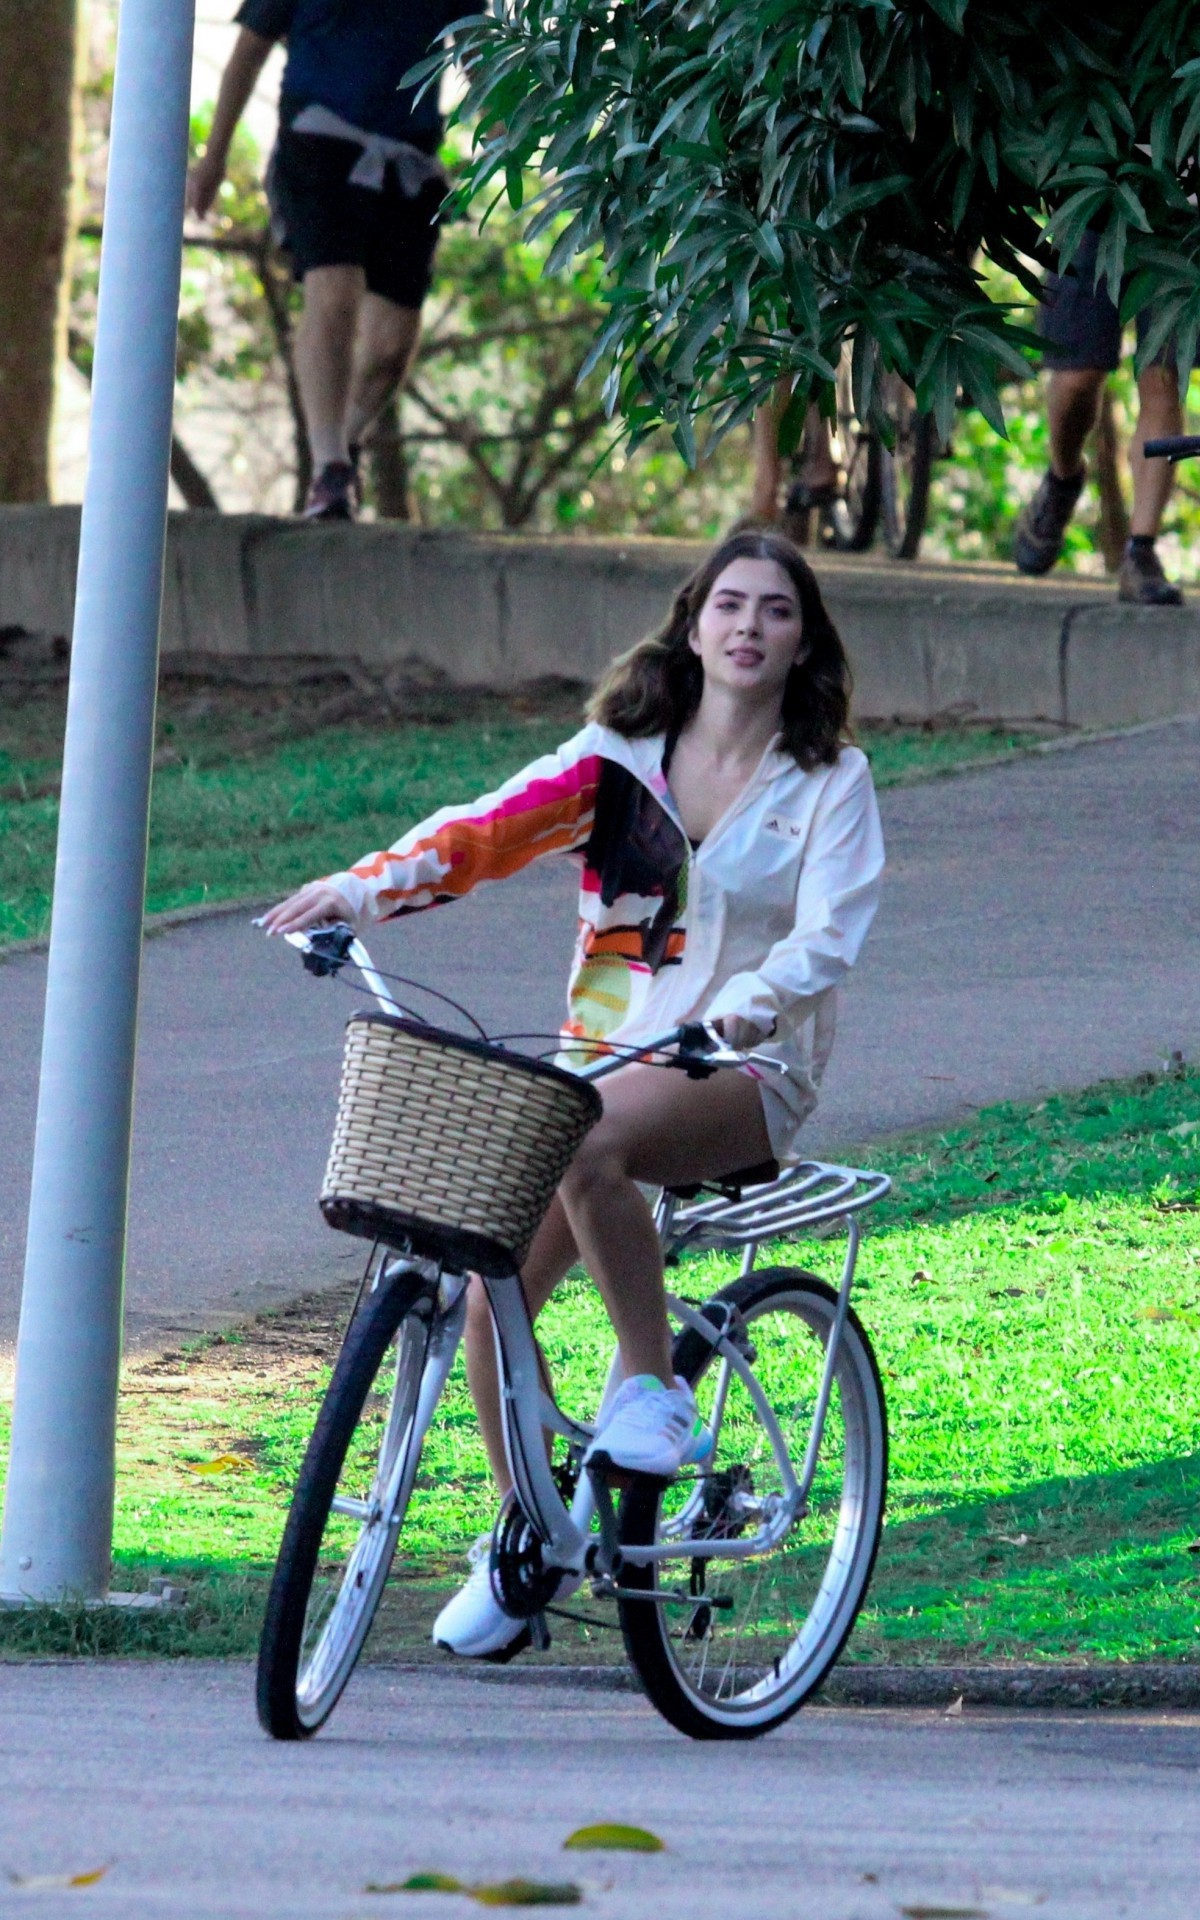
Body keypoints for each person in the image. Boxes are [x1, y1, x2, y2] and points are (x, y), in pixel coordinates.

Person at [262, 528, 885, 1658]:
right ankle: (532, 1533)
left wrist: (738, 1012)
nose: (750, 627)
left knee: (590, 1145)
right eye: (730, 605)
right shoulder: (618, 758)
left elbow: (827, 940)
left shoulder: (828, 781)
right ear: (693, 624)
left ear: (804, 643)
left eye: (776, 611)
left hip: (743, 1068)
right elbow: (482, 833)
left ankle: (649, 1390)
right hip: (598, 1061)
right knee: (483, 1292)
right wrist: (356, 892)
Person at [187, 0, 477, 521]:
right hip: (319, 142)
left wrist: (514, 144)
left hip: (408, 161)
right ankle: (329, 467)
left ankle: (343, 445)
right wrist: (213, 158)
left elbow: (482, 62)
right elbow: (247, 53)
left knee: (392, 342)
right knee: (336, 290)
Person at [1014, 230, 1187, 605]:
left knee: (1163, 374)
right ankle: (1063, 479)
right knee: (1076, 378)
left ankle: (1141, 551)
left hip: (1177, 213)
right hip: (1094, 208)